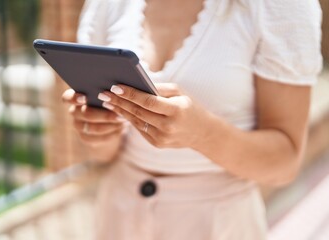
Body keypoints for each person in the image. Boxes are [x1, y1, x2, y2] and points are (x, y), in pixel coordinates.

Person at [62, 0, 323, 239]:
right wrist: (97, 134)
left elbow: (285, 163)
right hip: (117, 214)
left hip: (217, 224)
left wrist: (204, 134)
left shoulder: (280, 7)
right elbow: (105, 153)